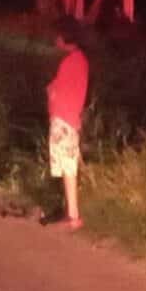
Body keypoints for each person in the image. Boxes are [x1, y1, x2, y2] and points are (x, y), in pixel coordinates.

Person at [45, 17, 90, 230]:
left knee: (67, 167)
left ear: (64, 38)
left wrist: (50, 92)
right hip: (72, 118)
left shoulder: (68, 62)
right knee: (68, 166)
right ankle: (71, 213)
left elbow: (57, 92)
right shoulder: (81, 60)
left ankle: (73, 216)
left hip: (63, 119)